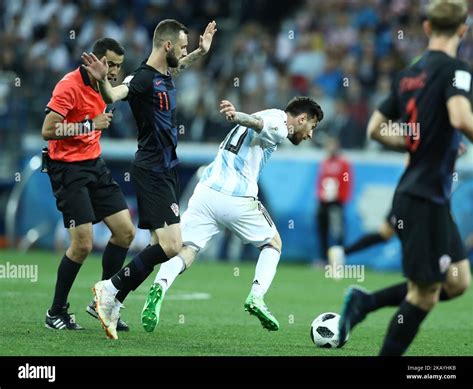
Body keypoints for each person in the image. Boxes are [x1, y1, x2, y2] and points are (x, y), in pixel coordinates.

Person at [337, 0, 473, 355]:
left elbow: (375, 129)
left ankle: (365, 302)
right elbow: (460, 117)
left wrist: (416, 140)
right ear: (463, 30)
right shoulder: (457, 70)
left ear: (427, 28)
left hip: (429, 194)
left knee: (457, 281)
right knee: (424, 295)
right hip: (423, 196)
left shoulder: (408, 75)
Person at [140, 96, 323, 334]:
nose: (310, 134)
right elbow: (258, 123)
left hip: (206, 192)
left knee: (188, 248)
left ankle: (160, 286)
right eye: (312, 127)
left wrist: (239, 118)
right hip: (237, 197)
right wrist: (237, 116)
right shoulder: (278, 120)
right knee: (273, 244)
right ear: (301, 119)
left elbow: (257, 122)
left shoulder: (269, 111)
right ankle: (257, 296)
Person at [81, 19, 217, 339]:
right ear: (167, 45)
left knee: (160, 246)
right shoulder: (142, 78)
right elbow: (115, 94)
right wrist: (102, 82)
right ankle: (109, 288)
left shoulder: (165, 73)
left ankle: (111, 299)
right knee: (172, 246)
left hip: (166, 167)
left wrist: (200, 51)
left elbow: (180, 66)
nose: (183, 52)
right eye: (181, 46)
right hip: (152, 167)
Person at [42, 38, 135, 331]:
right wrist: (88, 125)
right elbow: (47, 130)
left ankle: (103, 303)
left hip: (95, 165)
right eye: (109, 64)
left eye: (118, 65)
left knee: (125, 232)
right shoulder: (68, 85)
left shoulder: (105, 89)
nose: (113, 71)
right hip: (68, 169)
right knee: (82, 244)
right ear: (92, 61)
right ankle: (55, 312)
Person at [315, 137, 352, 264]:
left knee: (337, 232)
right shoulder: (324, 163)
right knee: (322, 230)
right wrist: (320, 195)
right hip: (323, 202)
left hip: (336, 202)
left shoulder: (343, 163)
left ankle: (338, 259)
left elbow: (347, 181)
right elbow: (320, 181)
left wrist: (341, 197)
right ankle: (323, 258)